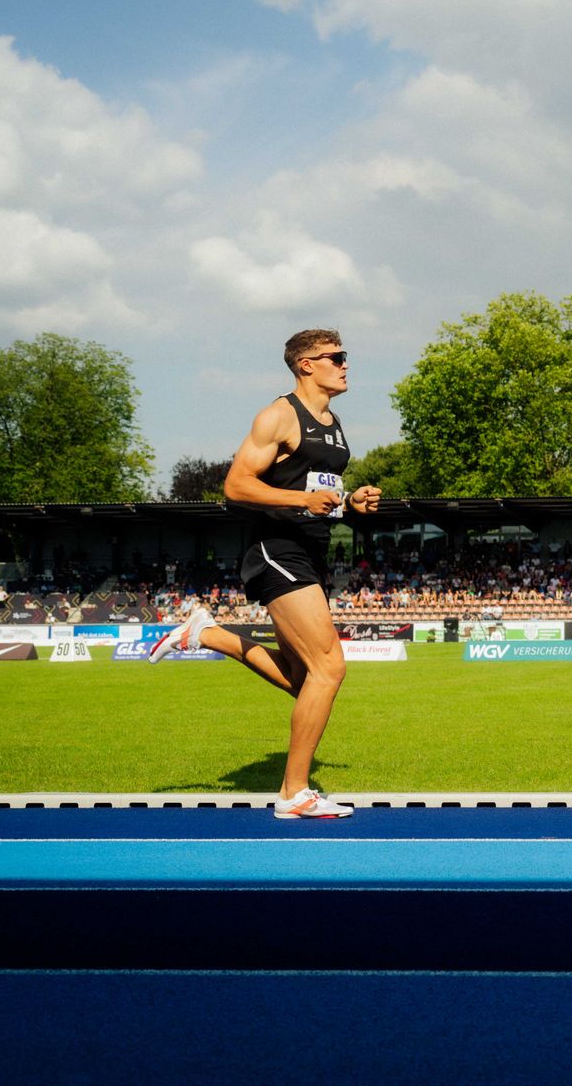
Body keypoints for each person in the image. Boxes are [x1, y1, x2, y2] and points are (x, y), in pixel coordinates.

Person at [147, 328, 381, 819]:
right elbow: (236, 485)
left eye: (345, 356)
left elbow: (318, 492)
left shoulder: (333, 423)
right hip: (275, 550)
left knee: (305, 680)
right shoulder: (279, 415)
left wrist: (350, 502)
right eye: (336, 357)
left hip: (310, 551)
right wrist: (301, 500)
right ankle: (295, 793)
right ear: (305, 365)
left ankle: (209, 634)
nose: (345, 364)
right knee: (330, 668)